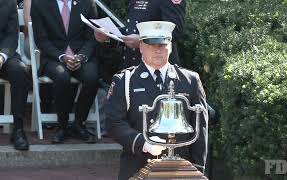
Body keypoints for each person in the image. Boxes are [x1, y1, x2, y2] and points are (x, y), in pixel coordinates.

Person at [105, 21, 208, 180]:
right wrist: (143, 143)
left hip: (180, 170)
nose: (158, 50)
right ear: (141, 47)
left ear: (171, 47)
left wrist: (198, 168)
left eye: (163, 45)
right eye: (151, 45)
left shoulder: (190, 80)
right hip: (138, 167)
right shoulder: (125, 81)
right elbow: (114, 123)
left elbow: (200, 128)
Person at [31, 0, 99, 143]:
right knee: (62, 76)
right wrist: (62, 57)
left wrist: (81, 57)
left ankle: (79, 124)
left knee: (92, 77)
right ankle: (62, 126)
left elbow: (92, 37)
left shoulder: (87, 4)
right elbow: (41, 40)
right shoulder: (40, 4)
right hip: (54, 58)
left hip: (81, 56)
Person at [94, 0, 186, 69]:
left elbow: (175, 31)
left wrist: (144, 41)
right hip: (130, 66)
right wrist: (109, 35)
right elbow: (132, 30)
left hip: (157, 68)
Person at [1, 0, 31, 150]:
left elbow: (12, 35)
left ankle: (18, 129)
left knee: (20, 71)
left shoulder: (8, 2)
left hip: (4, 55)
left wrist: (2, 56)